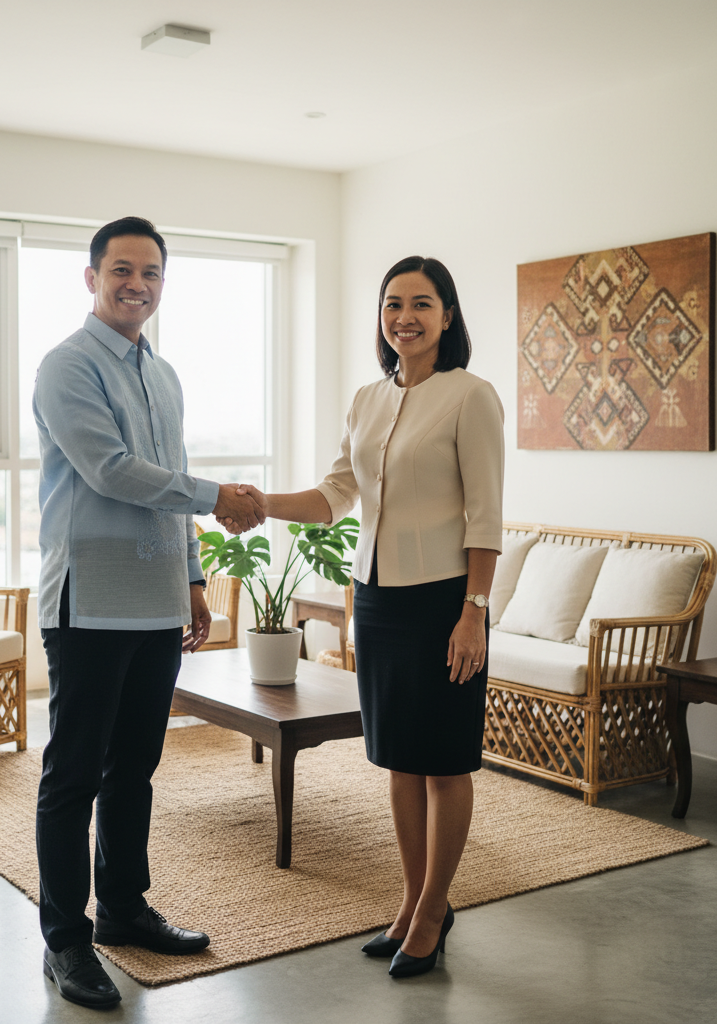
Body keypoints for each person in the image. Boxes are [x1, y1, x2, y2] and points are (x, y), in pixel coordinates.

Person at [226, 256, 503, 979]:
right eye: (392, 304)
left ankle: (436, 910)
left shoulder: (471, 397)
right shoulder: (367, 400)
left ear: (448, 315)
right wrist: (261, 505)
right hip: (376, 599)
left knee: (443, 762)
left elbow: (486, 515)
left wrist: (474, 611)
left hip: (446, 602)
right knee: (399, 761)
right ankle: (413, 903)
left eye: (421, 303)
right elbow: (332, 496)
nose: (404, 316)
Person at [33, 216, 264, 1008]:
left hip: (156, 603)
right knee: (73, 777)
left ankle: (123, 911)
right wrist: (220, 499)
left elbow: (172, 478)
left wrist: (194, 579)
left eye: (151, 274)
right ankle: (65, 940)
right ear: (92, 276)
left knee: (133, 770)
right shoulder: (65, 366)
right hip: (88, 605)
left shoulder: (162, 375)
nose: (137, 284)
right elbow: (111, 472)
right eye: (122, 270)